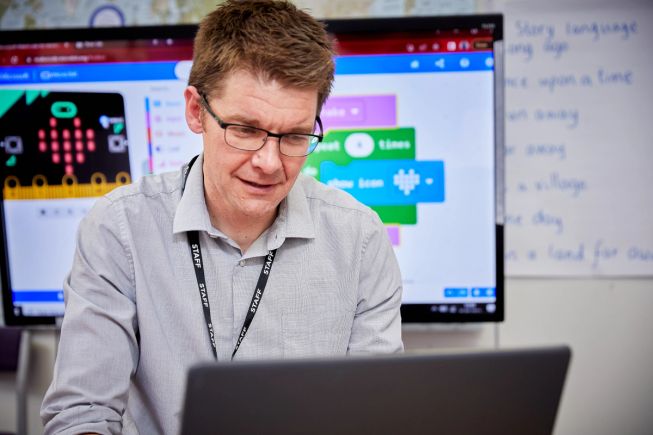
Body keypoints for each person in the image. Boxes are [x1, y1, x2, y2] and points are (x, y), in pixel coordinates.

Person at [41, 1, 403, 433]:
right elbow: (81, 415)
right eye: (246, 130)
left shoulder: (358, 237)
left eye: (294, 136)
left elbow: (375, 413)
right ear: (197, 111)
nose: (269, 162)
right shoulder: (121, 227)